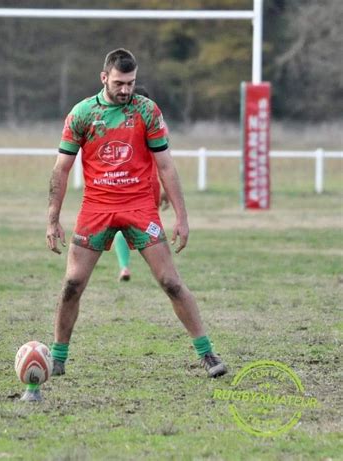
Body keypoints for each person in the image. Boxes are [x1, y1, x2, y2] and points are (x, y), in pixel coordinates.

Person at [24, 49, 227, 402]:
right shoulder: (83, 113)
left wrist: (182, 217)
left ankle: (207, 353)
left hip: (138, 207)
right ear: (104, 77)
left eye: (131, 83)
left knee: (171, 282)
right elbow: (61, 169)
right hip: (97, 207)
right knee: (72, 283)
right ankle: (57, 358)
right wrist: (52, 219)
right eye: (119, 83)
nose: (125, 89)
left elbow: (166, 166)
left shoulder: (147, 111)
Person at [113, 85, 169, 282]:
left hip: (124, 183)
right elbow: (164, 162)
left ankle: (124, 266)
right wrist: (165, 187)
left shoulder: (119, 124)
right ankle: (163, 268)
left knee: (120, 225)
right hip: (151, 183)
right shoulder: (157, 124)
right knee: (150, 225)